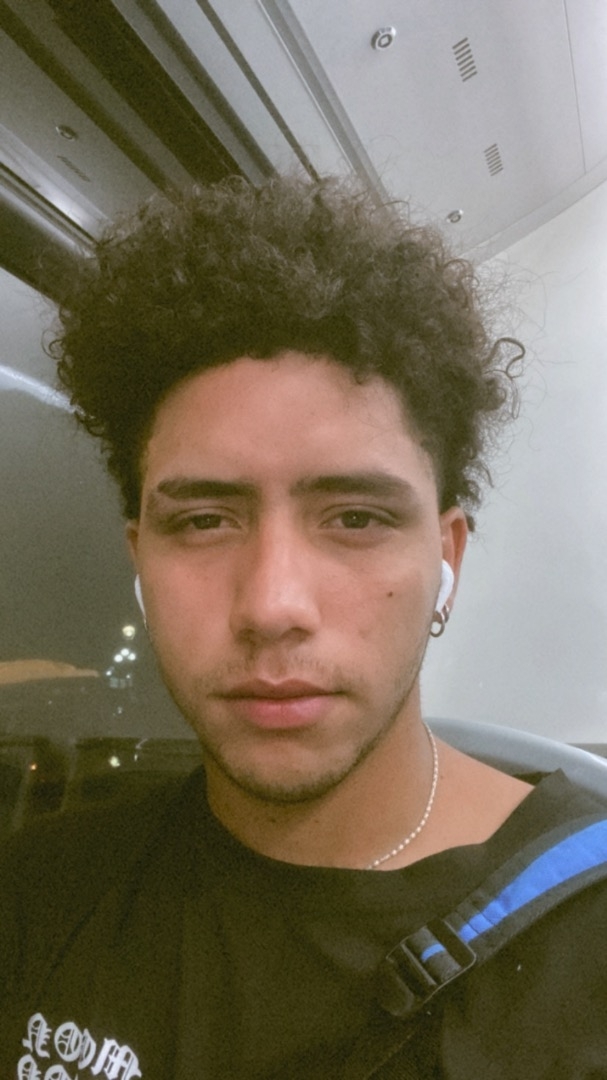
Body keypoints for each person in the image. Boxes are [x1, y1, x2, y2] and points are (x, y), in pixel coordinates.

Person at [1, 175, 606, 1080]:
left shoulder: (585, 946)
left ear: (445, 560)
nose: (271, 606)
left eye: (355, 518)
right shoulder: (39, 892)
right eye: (203, 521)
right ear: (140, 559)